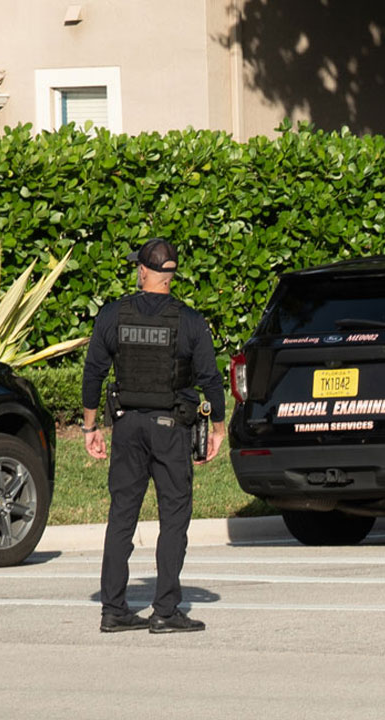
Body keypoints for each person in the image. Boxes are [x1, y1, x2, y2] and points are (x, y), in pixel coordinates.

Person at [81, 238, 226, 634]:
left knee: (122, 516)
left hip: (126, 428)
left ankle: (113, 609)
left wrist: (90, 426)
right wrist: (218, 428)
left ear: (144, 271)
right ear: (171, 275)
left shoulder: (113, 315)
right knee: (174, 517)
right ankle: (165, 610)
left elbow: (93, 371)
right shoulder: (190, 321)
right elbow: (210, 378)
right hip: (171, 429)